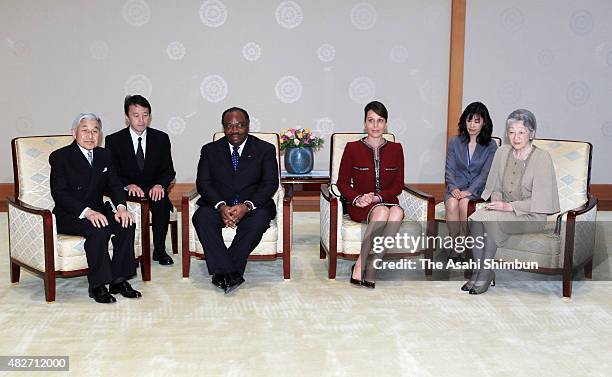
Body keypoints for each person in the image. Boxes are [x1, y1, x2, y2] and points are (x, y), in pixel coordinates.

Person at [464, 109, 560, 294]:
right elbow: (496, 187)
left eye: (521, 132)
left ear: (531, 133)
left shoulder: (542, 158)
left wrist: (508, 207)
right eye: (511, 132)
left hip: (531, 215)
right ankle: (478, 272)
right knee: (476, 218)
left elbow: (541, 200)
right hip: (504, 209)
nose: (515, 137)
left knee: (491, 222)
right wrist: (498, 204)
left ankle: (484, 274)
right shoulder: (502, 152)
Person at [49, 113, 142, 304]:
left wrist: (122, 208)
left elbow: (114, 184)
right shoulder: (60, 157)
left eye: (95, 131)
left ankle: (119, 279)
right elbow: (60, 194)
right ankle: (98, 285)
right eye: (85, 131)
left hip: (99, 210)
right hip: (72, 214)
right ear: (73, 133)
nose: (90, 136)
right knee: (99, 229)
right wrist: (87, 212)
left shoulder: (104, 155)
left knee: (126, 223)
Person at [192, 107, 278, 294]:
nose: (234, 130)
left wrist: (247, 206)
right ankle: (231, 272)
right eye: (229, 126)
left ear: (248, 126)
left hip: (253, 206)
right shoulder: (210, 150)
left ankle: (222, 270)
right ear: (223, 127)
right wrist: (221, 206)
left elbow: (270, 183)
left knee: (258, 220)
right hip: (218, 205)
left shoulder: (265, 149)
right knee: (201, 218)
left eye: (239, 125)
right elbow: (203, 183)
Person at [336, 101, 405, 288]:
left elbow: (398, 185)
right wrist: (357, 198)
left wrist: (377, 197)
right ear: (365, 123)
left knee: (397, 212)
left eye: (380, 121)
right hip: (360, 204)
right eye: (371, 120)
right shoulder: (352, 148)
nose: (375, 125)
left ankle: (373, 264)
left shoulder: (396, 149)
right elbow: (342, 182)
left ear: (386, 123)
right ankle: (359, 265)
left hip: (385, 200)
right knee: (382, 212)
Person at [105, 95, 176, 265]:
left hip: (153, 189)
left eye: (145, 115)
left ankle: (159, 250)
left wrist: (160, 185)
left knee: (161, 202)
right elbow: (112, 174)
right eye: (136, 115)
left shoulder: (161, 138)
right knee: (127, 208)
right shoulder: (113, 140)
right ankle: (133, 252)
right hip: (128, 191)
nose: (141, 120)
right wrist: (127, 185)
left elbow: (168, 170)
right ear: (127, 117)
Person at [444, 102, 497, 257]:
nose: (472, 125)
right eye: (469, 120)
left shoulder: (491, 146)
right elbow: (449, 169)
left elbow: (485, 174)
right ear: (464, 121)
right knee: (452, 204)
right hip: (455, 187)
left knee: (464, 204)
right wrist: (453, 188)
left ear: (484, 123)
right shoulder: (455, 142)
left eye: (477, 121)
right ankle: (456, 245)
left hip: (477, 190)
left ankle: (469, 248)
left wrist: (470, 191)